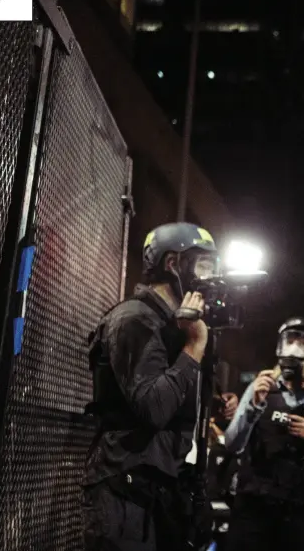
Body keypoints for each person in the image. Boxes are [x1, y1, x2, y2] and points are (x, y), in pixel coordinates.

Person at [82, 222, 219, 551]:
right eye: (203, 264)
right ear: (173, 263)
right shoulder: (134, 320)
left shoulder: (171, 326)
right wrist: (194, 348)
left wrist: (209, 401)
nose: (211, 276)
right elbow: (153, 407)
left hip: (158, 488)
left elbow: (169, 396)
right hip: (125, 492)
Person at [224, 318, 304, 551]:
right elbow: (232, 443)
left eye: (303, 342)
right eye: (290, 340)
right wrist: (252, 408)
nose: (294, 347)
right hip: (252, 509)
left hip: (296, 514)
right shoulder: (261, 389)